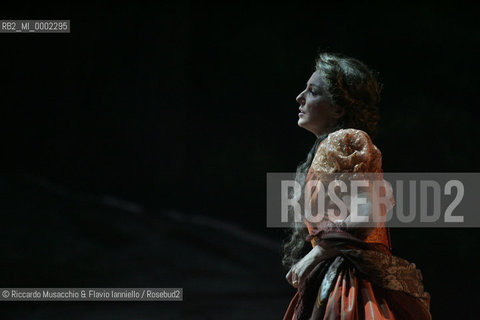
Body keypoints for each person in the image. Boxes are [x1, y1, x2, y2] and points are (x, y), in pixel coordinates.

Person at [282, 53, 431, 320]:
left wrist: (316, 254)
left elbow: (368, 212)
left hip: (350, 285)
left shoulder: (345, 139)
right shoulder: (328, 147)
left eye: (313, 91)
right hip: (340, 276)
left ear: (339, 109)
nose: (299, 97)